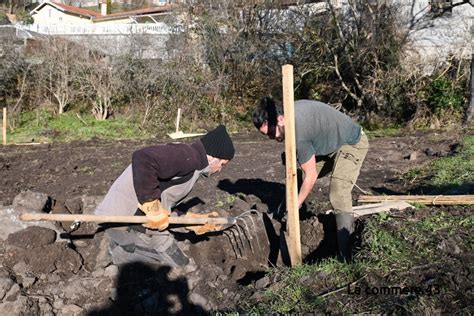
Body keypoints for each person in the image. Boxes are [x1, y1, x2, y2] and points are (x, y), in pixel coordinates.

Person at [95, 125, 235, 267]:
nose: (219, 170)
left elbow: (164, 201)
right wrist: (151, 205)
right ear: (212, 157)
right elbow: (144, 157)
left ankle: (123, 247)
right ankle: (116, 250)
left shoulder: (193, 164)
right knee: (161, 268)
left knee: (179, 262)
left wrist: (190, 220)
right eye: (222, 164)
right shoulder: (187, 156)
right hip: (124, 218)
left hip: (141, 220)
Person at [253, 97, 369, 261]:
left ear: (280, 119)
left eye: (272, 133)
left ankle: (346, 255)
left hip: (352, 143)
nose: (272, 138)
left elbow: (312, 174)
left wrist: (296, 205)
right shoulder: (289, 117)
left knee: (338, 191)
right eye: (268, 135)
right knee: (291, 159)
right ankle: (286, 206)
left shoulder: (298, 132)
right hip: (330, 147)